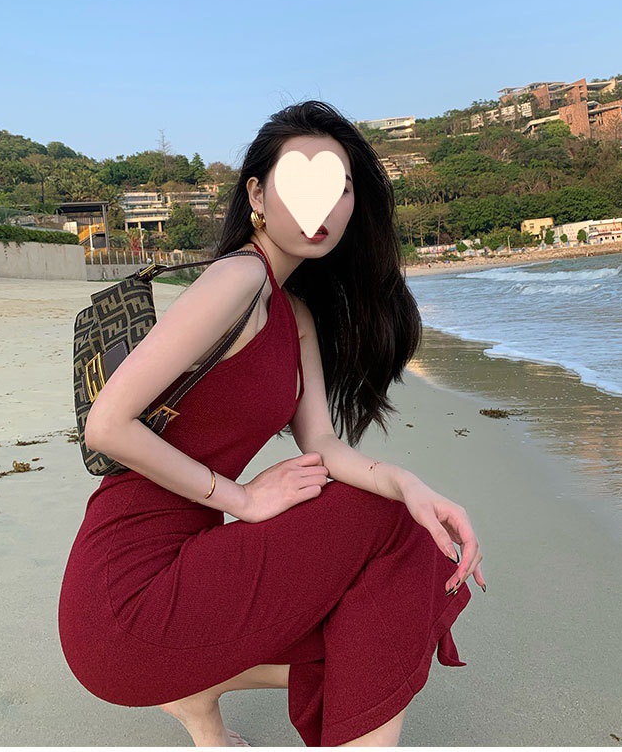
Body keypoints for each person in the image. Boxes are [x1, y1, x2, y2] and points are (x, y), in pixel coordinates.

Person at [58, 99, 485, 747]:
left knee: (386, 574)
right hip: (123, 595)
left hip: (186, 565)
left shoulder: (296, 315)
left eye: (339, 187)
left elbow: (324, 444)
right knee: (396, 541)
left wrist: (410, 484)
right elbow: (107, 424)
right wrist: (242, 498)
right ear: (257, 194)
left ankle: (197, 698)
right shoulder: (235, 279)